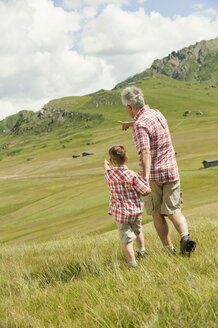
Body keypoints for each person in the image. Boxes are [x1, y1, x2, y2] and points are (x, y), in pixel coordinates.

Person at [119, 86, 196, 256]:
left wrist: (144, 179)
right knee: (173, 210)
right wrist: (130, 124)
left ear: (130, 107)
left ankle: (169, 250)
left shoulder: (140, 126)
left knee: (157, 214)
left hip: (154, 176)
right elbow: (147, 124)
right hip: (172, 171)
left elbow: (145, 152)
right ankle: (185, 237)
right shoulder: (156, 113)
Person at [104, 144, 151, 267]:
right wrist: (146, 184)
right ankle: (142, 251)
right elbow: (146, 191)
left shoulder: (109, 175)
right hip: (135, 211)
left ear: (111, 161)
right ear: (126, 159)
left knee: (127, 241)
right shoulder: (132, 175)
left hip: (121, 214)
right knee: (138, 231)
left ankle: (132, 263)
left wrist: (106, 165)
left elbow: (106, 169)